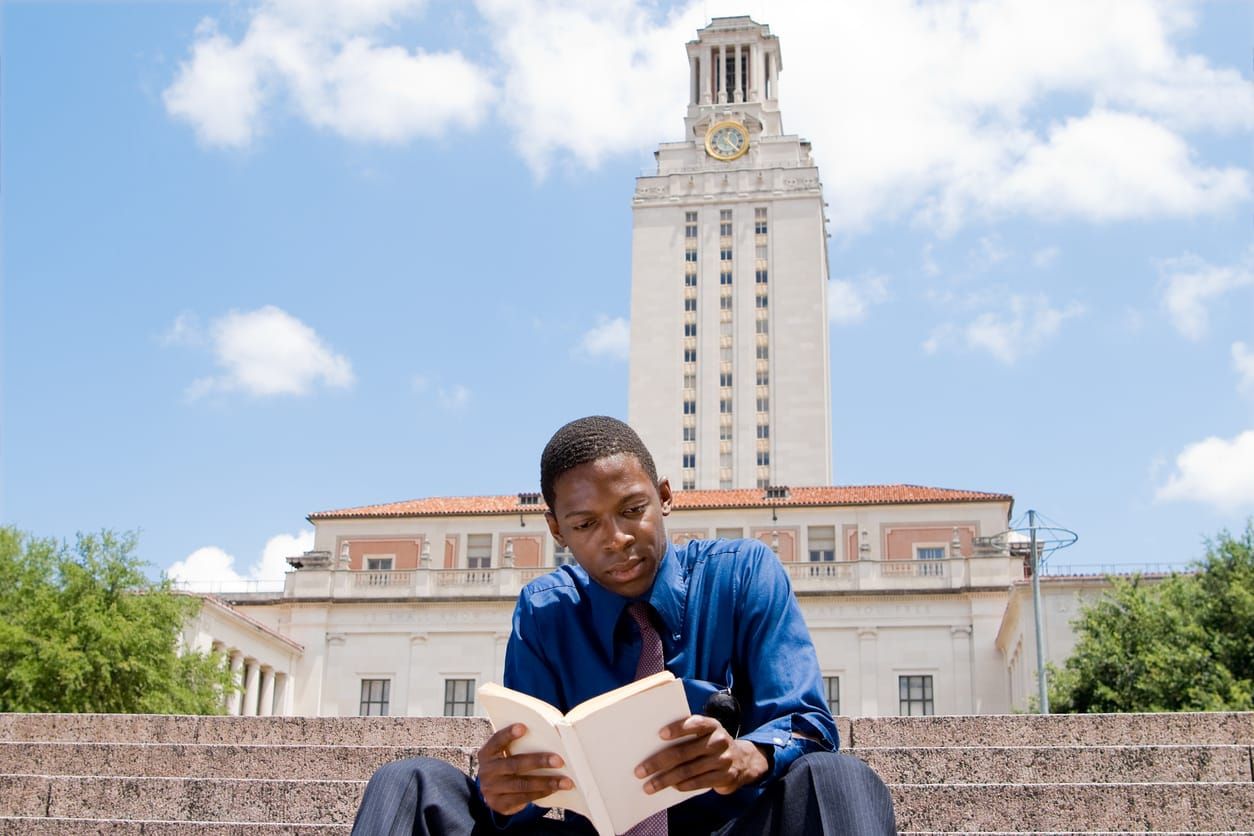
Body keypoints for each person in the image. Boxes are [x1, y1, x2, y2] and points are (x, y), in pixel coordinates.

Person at [351, 416, 896, 835]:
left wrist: (746, 756)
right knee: (410, 783)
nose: (615, 539)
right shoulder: (544, 611)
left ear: (663, 497)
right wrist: (506, 797)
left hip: (732, 826)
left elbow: (805, 723)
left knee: (839, 779)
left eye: (633, 509)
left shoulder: (743, 574)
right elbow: (531, 792)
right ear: (557, 529)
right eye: (586, 523)